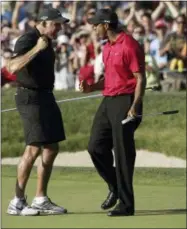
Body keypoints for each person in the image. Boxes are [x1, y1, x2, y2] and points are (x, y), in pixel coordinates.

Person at [80, 9, 146, 217]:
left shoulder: (129, 45)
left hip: (126, 101)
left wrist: (135, 105)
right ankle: (115, 186)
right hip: (108, 100)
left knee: (123, 154)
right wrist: (92, 87)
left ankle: (126, 205)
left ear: (106, 25)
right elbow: (109, 78)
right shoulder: (107, 47)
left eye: (96, 25)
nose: (94, 28)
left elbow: (140, 78)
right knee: (95, 147)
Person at [6, 7, 70, 216]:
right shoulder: (28, 39)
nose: (59, 28)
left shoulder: (47, 40)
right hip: (29, 97)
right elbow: (12, 67)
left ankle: (40, 198)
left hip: (45, 96)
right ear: (43, 22)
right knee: (33, 148)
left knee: (51, 147)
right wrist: (36, 49)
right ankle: (17, 201)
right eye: (56, 24)